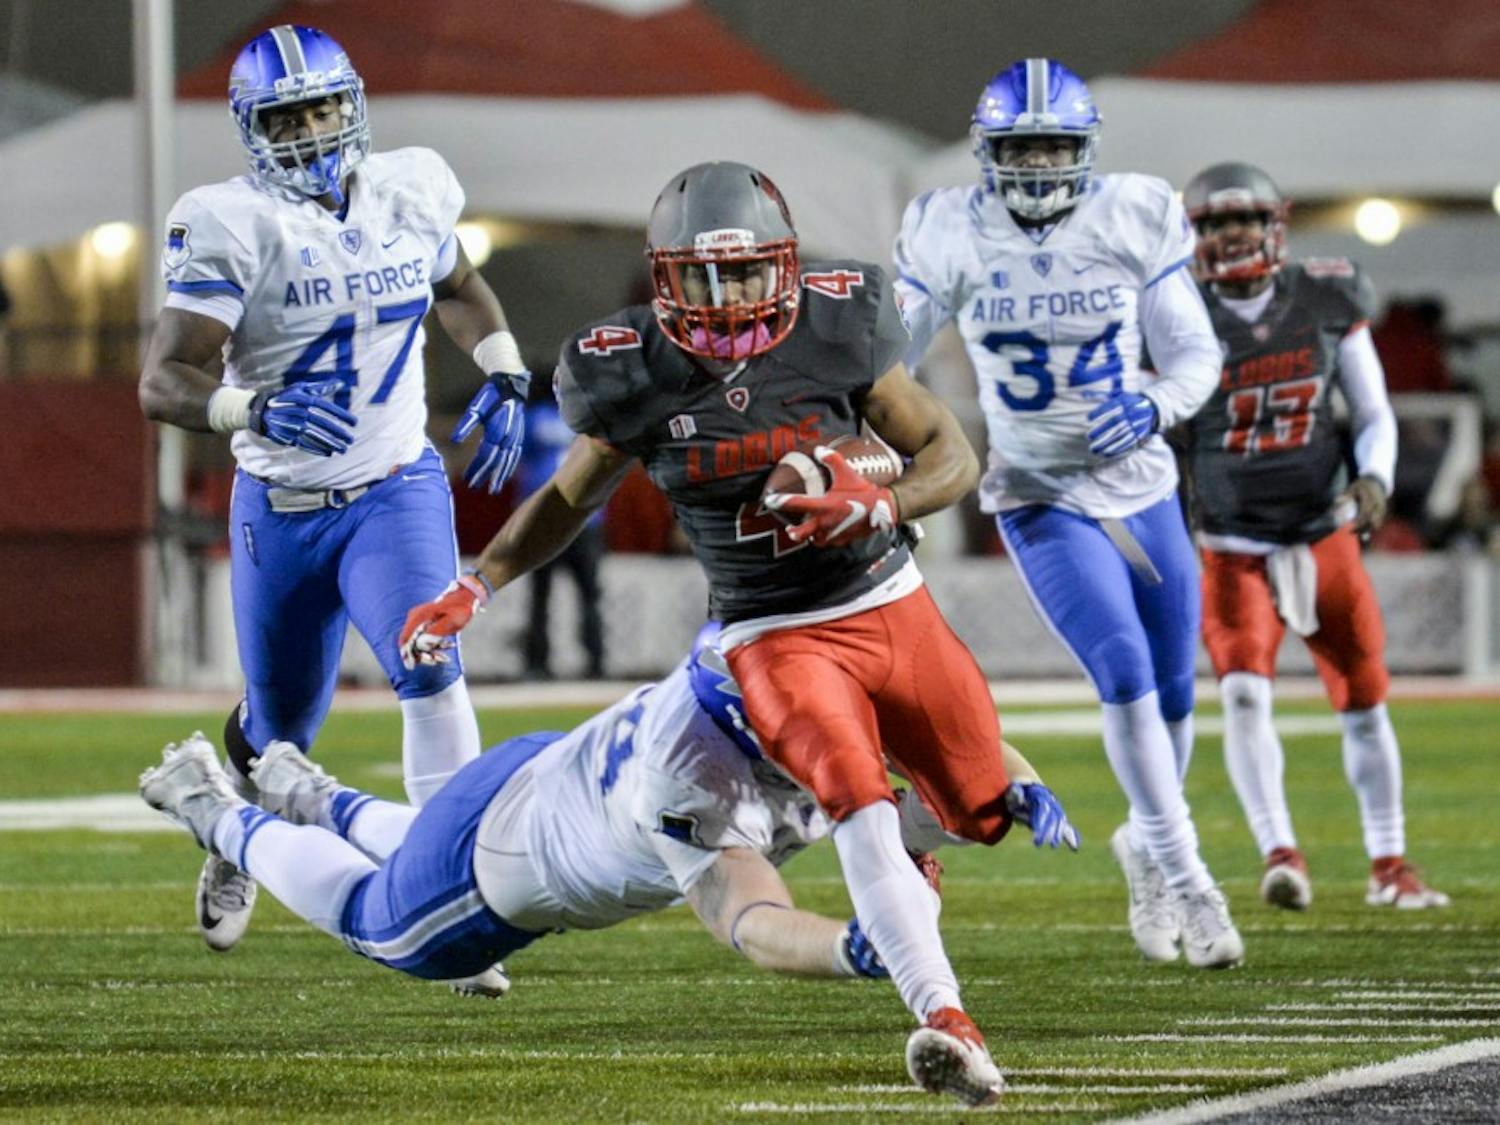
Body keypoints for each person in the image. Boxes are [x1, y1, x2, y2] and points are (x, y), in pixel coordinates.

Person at [400, 160, 1032, 1105]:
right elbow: (570, 496)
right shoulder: (635, 369)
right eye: (701, 275)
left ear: (784, 265)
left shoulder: (841, 321)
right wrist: (480, 581)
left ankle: (917, 849)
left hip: (878, 593)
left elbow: (953, 453)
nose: (727, 294)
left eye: (745, 271)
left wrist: (882, 502)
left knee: (981, 803)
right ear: (664, 279)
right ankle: (940, 1008)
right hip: (762, 623)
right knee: (851, 791)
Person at [140, 629, 1078, 1107]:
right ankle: (211, 806)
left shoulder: (778, 684)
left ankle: (310, 793)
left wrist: (1008, 789)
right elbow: (747, 916)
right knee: (383, 927)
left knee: (413, 849)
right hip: (502, 864)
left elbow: (952, 758)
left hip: (536, 777)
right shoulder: (695, 776)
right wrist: (850, 947)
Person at [137, 25, 533, 953]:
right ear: (251, 127)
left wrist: (504, 364)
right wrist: (252, 409)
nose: (312, 129)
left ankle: (457, 892)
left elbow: (461, 284)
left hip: (394, 488)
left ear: (351, 103)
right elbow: (164, 381)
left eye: (323, 106)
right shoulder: (230, 219)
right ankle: (235, 819)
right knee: (279, 727)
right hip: (281, 507)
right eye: (287, 115)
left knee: (428, 654)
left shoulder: (412, 186)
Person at [893, 58, 1242, 969]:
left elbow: (1196, 357)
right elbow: (886, 355)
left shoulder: (1135, 212)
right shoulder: (948, 229)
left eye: (1055, 145)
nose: (1041, 163)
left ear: (1084, 150)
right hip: (1038, 493)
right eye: (1022, 147)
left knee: (1173, 692)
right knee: (1123, 669)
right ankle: (1189, 871)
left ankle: (1148, 841)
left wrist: (1157, 404)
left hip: (1146, 484)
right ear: (988, 153)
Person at [1178, 161, 1449, 911]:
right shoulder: (1175, 309)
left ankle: (1390, 862)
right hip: (1231, 540)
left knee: (1363, 699)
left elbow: (1370, 410)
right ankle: (1280, 851)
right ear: (1193, 235)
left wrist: (1376, 480)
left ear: (1277, 223)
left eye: (1243, 220)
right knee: (1241, 696)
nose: (1230, 235)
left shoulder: (1326, 295)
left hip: (1321, 525)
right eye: (1212, 223)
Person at [518, 391, 606, 680]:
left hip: (557, 519)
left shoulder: (535, 419)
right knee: (581, 596)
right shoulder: (590, 416)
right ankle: (593, 662)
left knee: (548, 596)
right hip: (575, 519)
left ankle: (540, 664)